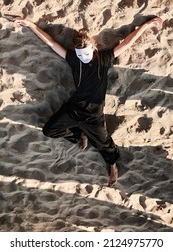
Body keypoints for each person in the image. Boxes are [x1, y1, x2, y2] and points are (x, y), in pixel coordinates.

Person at [14, 16, 162, 187]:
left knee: (105, 145)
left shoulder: (104, 59)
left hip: (94, 115)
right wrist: (31, 25)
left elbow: (127, 43)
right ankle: (79, 134)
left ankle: (112, 164)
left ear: (93, 47)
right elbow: (51, 43)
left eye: (86, 52)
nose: (83, 56)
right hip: (73, 109)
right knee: (50, 130)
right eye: (80, 53)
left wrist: (146, 25)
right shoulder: (73, 59)